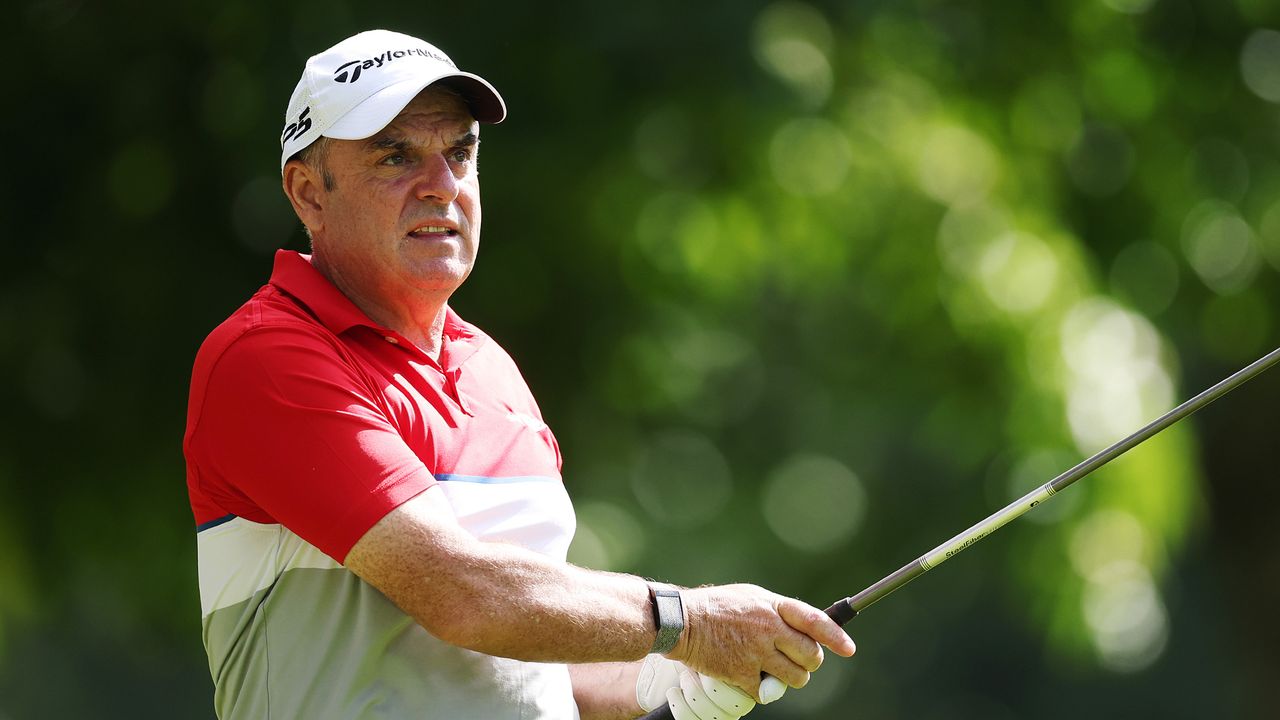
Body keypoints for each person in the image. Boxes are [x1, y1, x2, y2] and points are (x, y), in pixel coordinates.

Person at [183, 29, 854, 720]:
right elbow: (463, 596)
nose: (441, 187)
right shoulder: (265, 357)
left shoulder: (494, 372)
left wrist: (669, 683)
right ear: (308, 194)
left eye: (460, 153)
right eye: (395, 156)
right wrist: (692, 624)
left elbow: (535, 657)